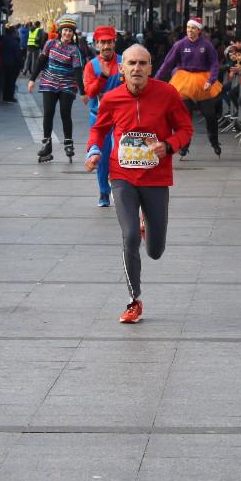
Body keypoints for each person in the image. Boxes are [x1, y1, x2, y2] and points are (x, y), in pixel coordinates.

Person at [85, 44, 193, 323]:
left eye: (142, 63)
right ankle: (134, 301)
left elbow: (185, 129)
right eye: (131, 63)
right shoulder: (112, 98)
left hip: (156, 177)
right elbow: (99, 129)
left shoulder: (167, 94)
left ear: (150, 68)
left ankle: (148, 229)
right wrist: (94, 150)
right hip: (122, 176)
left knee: (155, 251)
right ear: (122, 69)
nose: (137, 68)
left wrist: (168, 145)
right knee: (130, 236)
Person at [154, 18, 222, 157]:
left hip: (203, 81)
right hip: (183, 82)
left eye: (193, 28)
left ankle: (214, 141)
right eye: (188, 27)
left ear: (199, 30)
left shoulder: (206, 45)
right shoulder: (180, 44)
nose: (190, 30)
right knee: (185, 116)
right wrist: (155, 80)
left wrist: (211, 80)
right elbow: (167, 64)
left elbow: (214, 64)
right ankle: (184, 145)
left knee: (210, 114)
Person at [28, 14, 85, 163]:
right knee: (48, 113)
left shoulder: (74, 50)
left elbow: (78, 72)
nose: (67, 33)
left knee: (65, 112)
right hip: (49, 82)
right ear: (60, 31)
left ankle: (68, 142)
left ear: (73, 34)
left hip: (67, 84)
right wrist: (32, 79)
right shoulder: (50, 44)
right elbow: (41, 62)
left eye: (70, 31)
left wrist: (83, 92)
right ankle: (47, 145)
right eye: (65, 30)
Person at [82, 26, 122, 207]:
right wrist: (103, 78)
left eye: (109, 42)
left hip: (122, 118)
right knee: (102, 157)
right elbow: (90, 92)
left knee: (121, 155)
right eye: (102, 42)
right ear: (97, 44)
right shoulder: (92, 66)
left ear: (114, 42)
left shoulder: (124, 62)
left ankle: (121, 190)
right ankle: (104, 192)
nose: (106, 46)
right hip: (99, 118)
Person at [0, 25, 21, 103]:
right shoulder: (14, 41)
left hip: (4, 62)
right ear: (13, 33)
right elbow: (17, 54)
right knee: (11, 81)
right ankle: (10, 97)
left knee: (6, 81)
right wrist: (19, 63)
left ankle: (5, 96)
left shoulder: (4, 39)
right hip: (12, 64)